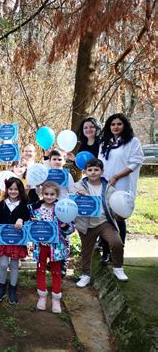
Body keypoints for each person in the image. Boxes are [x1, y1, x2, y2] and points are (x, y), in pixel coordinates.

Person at [98, 113, 144, 263]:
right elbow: (100, 163)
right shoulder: (105, 143)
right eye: (112, 124)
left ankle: (117, 254)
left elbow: (135, 162)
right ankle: (105, 252)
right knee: (104, 219)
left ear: (124, 125)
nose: (115, 127)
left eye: (119, 124)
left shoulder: (132, 142)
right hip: (105, 184)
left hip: (122, 185)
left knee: (119, 218)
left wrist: (117, 176)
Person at [74, 159, 127, 286]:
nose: (93, 172)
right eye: (90, 170)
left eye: (96, 170)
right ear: (85, 171)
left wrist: (119, 216)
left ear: (102, 171)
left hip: (104, 222)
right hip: (86, 223)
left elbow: (114, 207)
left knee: (117, 243)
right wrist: (77, 196)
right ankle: (85, 275)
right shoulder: (78, 186)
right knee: (87, 251)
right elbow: (71, 203)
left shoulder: (109, 189)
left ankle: (118, 268)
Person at [28, 182, 74, 314]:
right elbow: (29, 227)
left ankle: (56, 298)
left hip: (57, 247)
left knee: (56, 271)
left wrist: (65, 226)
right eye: (46, 194)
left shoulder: (62, 208)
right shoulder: (35, 209)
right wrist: (33, 224)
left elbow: (71, 228)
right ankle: (42, 296)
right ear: (42, 194)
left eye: (52, 194)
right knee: (40, 269)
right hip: (41, 246)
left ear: (57, 195)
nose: (49, 197)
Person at [0, 178, 30, 304]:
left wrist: (21, 219)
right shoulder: (2, 204)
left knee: (14, 265)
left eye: (16, 189)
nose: (13, 191)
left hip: (17, 241)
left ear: (20, 190)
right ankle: (1, 287)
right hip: (4, 240)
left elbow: (28, 220)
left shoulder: (24, 205)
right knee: (4, 264)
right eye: (10, 189)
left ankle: (12, 289)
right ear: (7, 190)